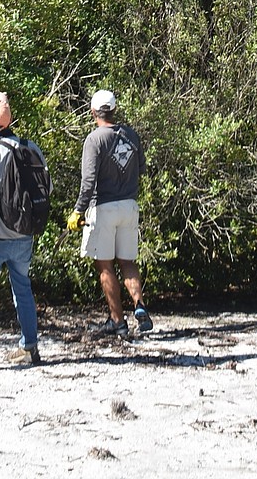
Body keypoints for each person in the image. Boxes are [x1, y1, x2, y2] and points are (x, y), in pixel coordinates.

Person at [0, 92, 51, 369]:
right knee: (23, 288)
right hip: (24, 235)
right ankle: (29, 347)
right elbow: (47, 188)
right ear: (11, 119)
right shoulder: (31, 148)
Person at [66, 88, 153, 336]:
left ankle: (117, 321)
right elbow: (142, 169)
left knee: (104, 265)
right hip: (129, 206)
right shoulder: (132, 135)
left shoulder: (94, 140)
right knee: (128, 261)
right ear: (114, 110)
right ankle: (139, 305)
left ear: (92, 112)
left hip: (103, 208)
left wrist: (78, 211)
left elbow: (88, 181)